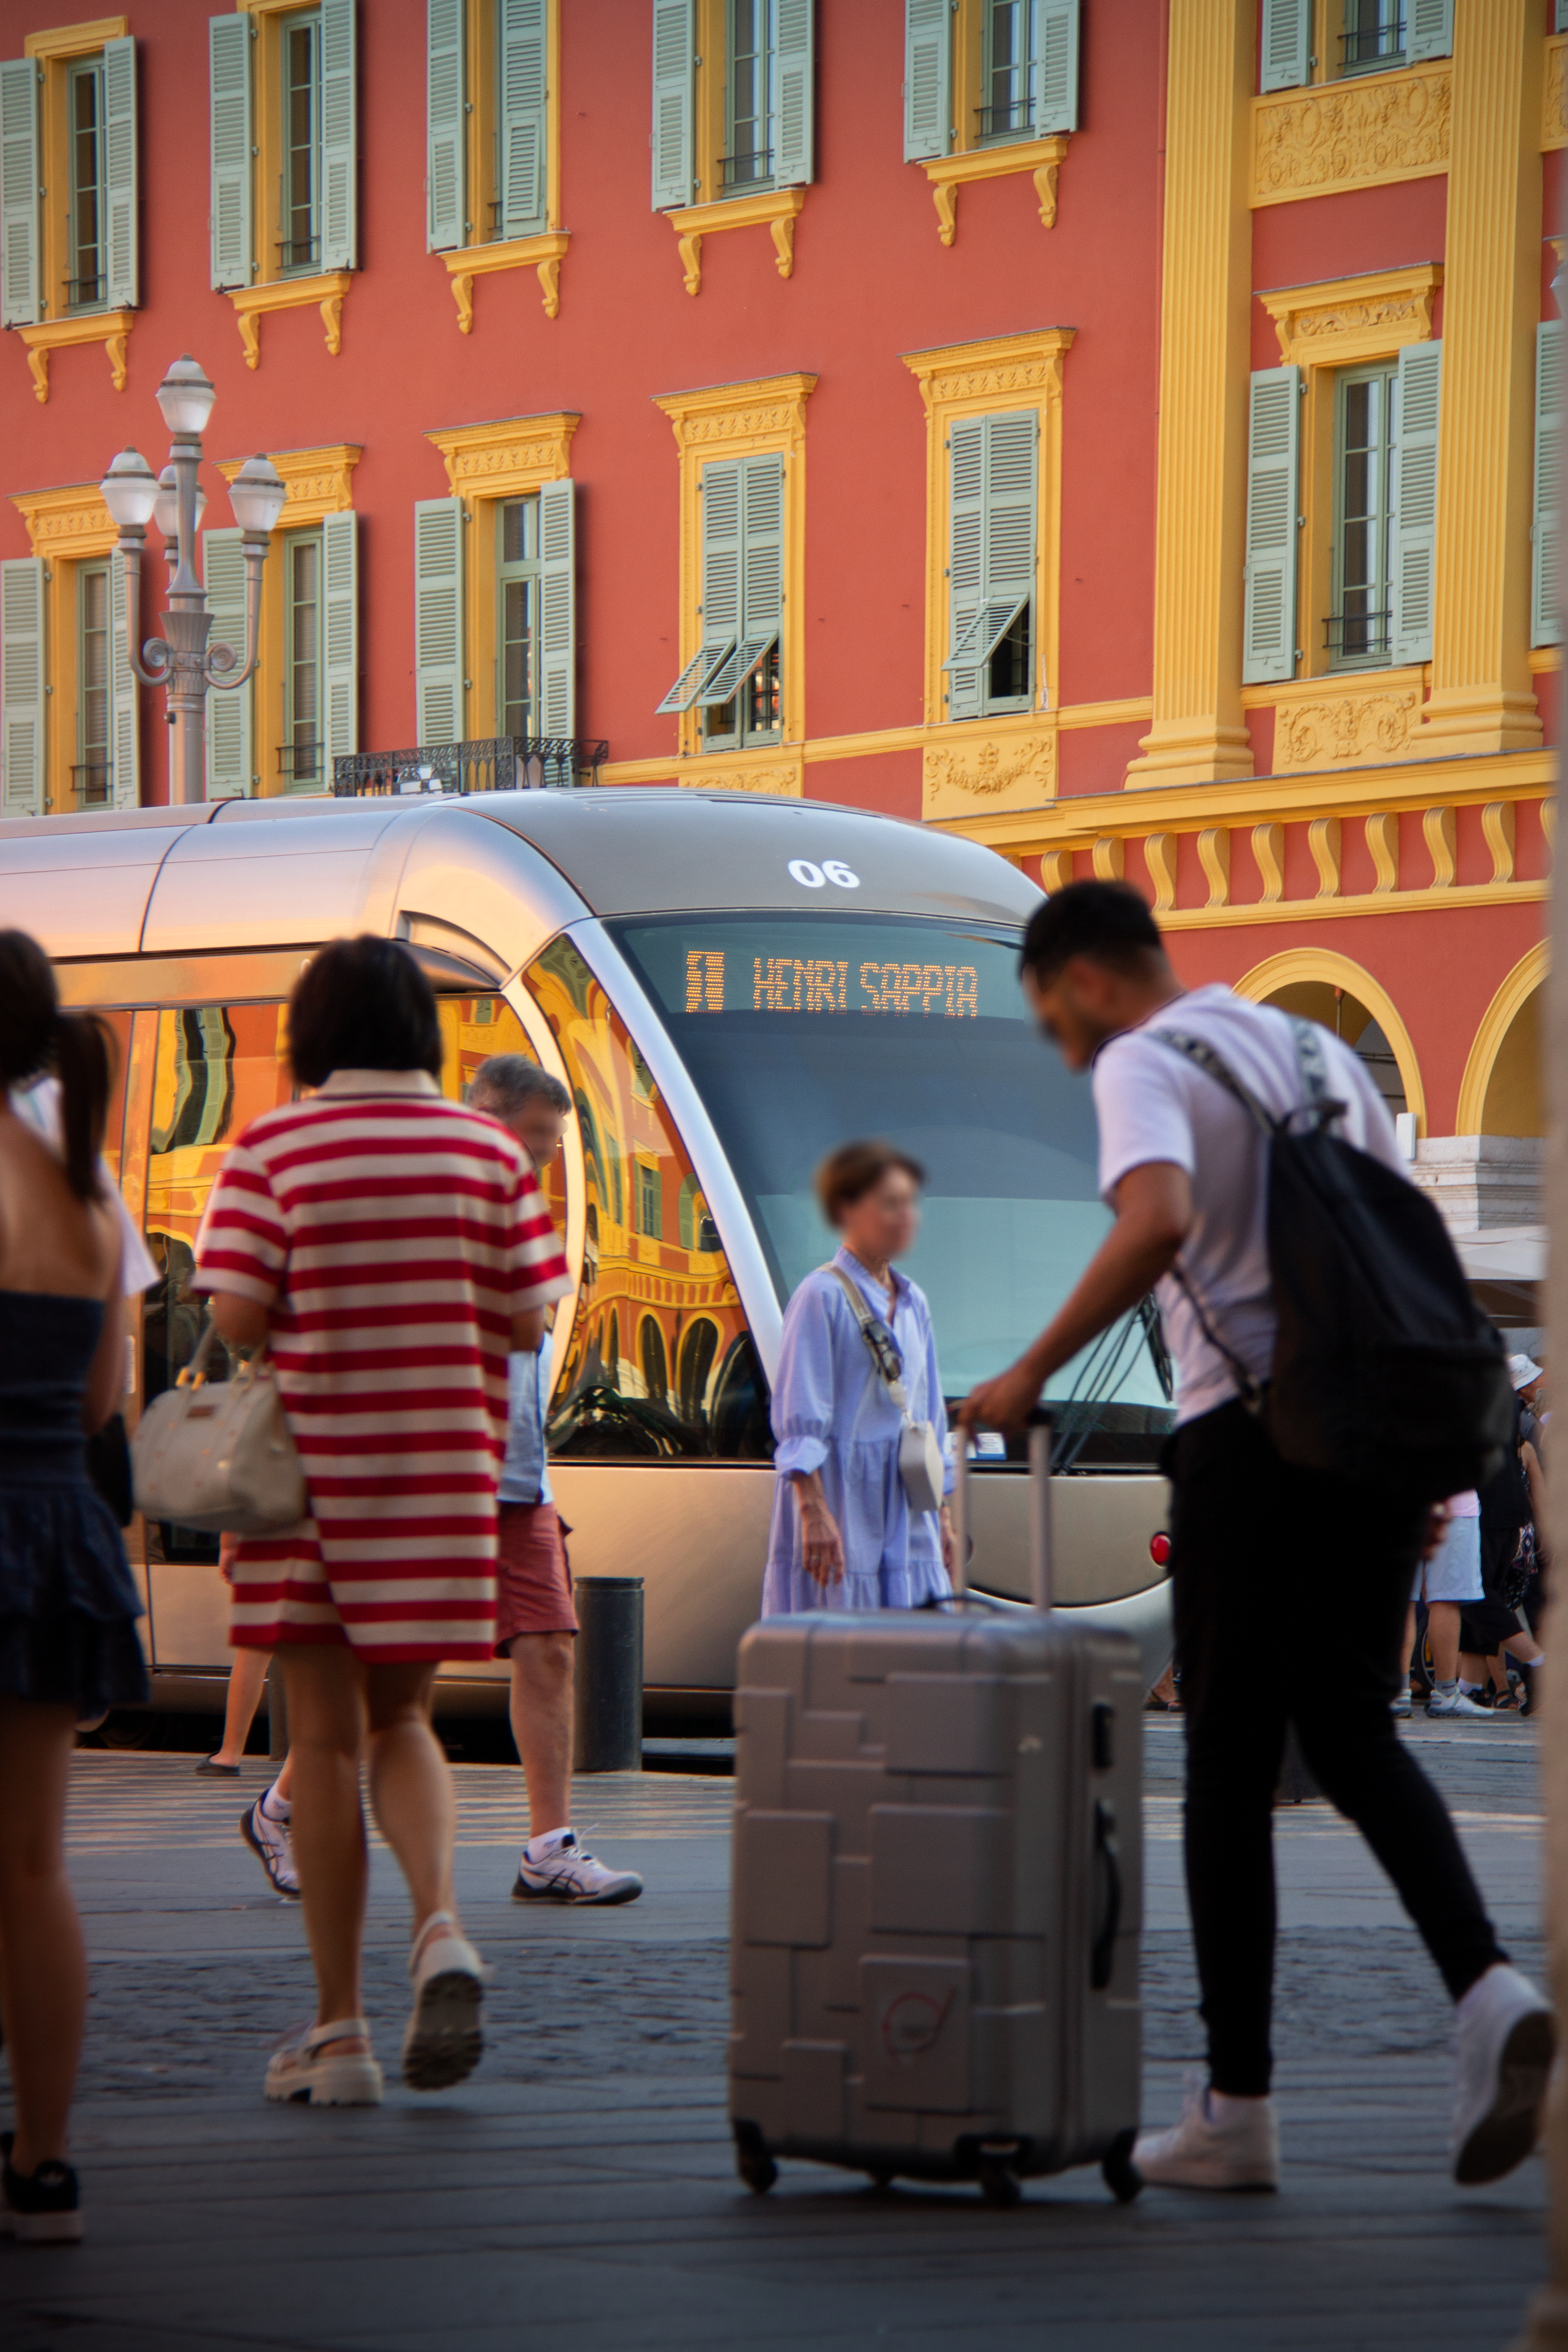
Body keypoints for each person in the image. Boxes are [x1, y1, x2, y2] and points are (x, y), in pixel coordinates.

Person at [960, 882, 1552, 2194]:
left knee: (1225, 1757)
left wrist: (1022, 1372)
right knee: (1349, 1728)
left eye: (1047, 1015)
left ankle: (1236, 2105)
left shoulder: (1141, 1058)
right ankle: (1486, 1990)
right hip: (1386, 1425)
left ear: (1079, 979)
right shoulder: (1315, 1049)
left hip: (1250, 1431)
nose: (1058, 1049)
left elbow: (1157, 1215)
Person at [191, 937, 570, 2107]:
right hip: (445, 1479)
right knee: (406, 1720)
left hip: (309, 1482)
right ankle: (442, 1926)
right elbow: (524, 1320)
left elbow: (241, 1310)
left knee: (324, 1740)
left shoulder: (272, 1146)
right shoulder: (486, 1154)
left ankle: (340, 2030)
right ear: (421, 1033)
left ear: (312, 1033)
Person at [0, 931, 149, 2240]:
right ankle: (42, 2161)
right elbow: (104, 1403)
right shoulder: (89, 1193)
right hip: (51, 1530)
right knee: (34, 1867)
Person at [467, 1054, 642, 1906]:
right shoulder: (452, 1200)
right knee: (382, 1665)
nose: (544, 1155)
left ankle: (549, 1849)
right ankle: (287, 1804)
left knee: (549, 1648)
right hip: (443, 1471)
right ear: (492, 1117)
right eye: (538, 1136)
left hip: (518, 1476)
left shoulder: (519, 1207)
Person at [764, 1141, 955, 1614]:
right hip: (841, 1499)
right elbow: (799, 1417)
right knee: (839, 1648)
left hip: (906, 1503)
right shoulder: (819, 1295)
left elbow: (929, 1417)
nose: (905, 1215)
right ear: (847, 1210)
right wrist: (812, 1510)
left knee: (912, 1654)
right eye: (890, 1203)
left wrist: (943, 1514)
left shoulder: (915, 1302)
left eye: (910, 1203)